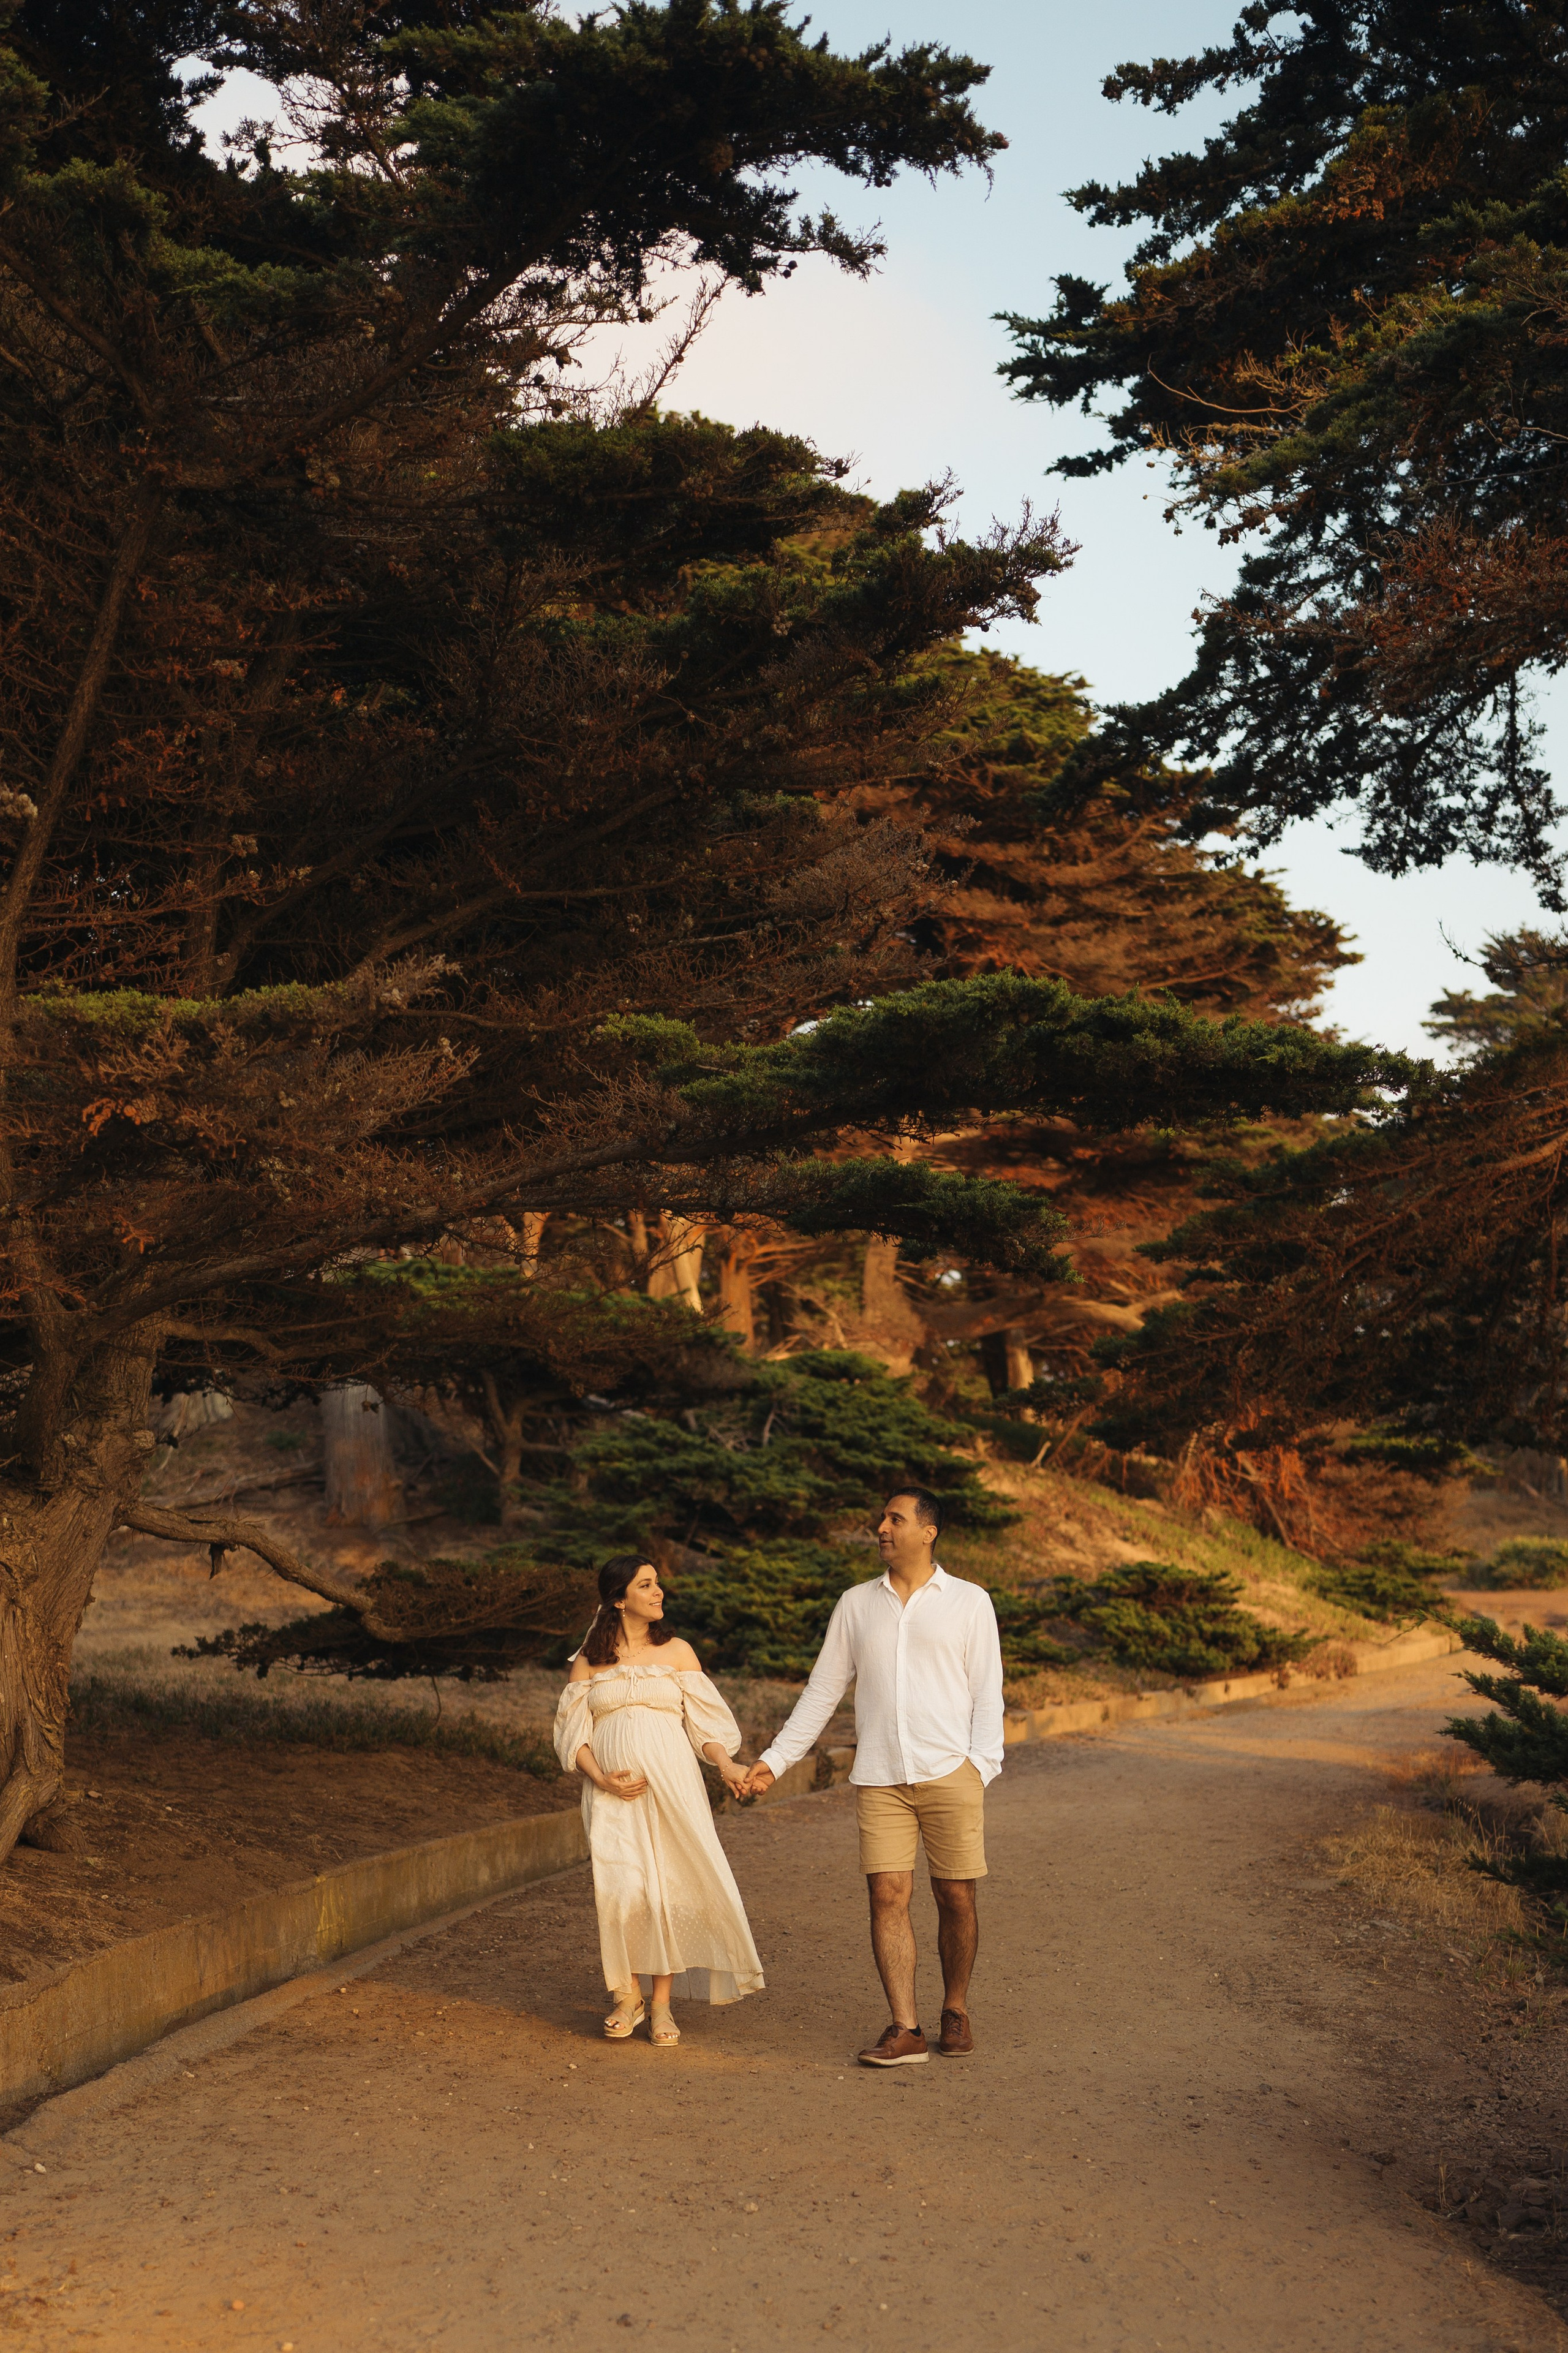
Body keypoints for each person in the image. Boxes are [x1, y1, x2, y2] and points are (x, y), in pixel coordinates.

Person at [741, 1487, 1003, 2066]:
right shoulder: (856, 1604)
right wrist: (775, 1760)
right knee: (887, 1894)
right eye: (882, 1518)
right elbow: (822, 1692)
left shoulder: (969, 1601)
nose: (881, 1527)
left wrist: (979, 1766)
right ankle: (905, 2028)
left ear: (928, 1531)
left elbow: (988, 1693)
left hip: (951, 1772)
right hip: (881, 1776)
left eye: (895, 1519)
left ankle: (955, 2007)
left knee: (955, 1894)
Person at [554, 1553, 764, 2044]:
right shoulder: (589, 1660)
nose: (658, 1592)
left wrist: (728, 1766)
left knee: (667, 1889)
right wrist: (601, 1778)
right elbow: (571, 1734)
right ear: (618, 1599)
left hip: (674, 1789)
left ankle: (662, 2005)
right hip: (612, 1794)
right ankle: (627, 1996)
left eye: (657, 1583)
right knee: (622, 1890)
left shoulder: (677, 1652)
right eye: (646, 1585)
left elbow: (706, 1727)